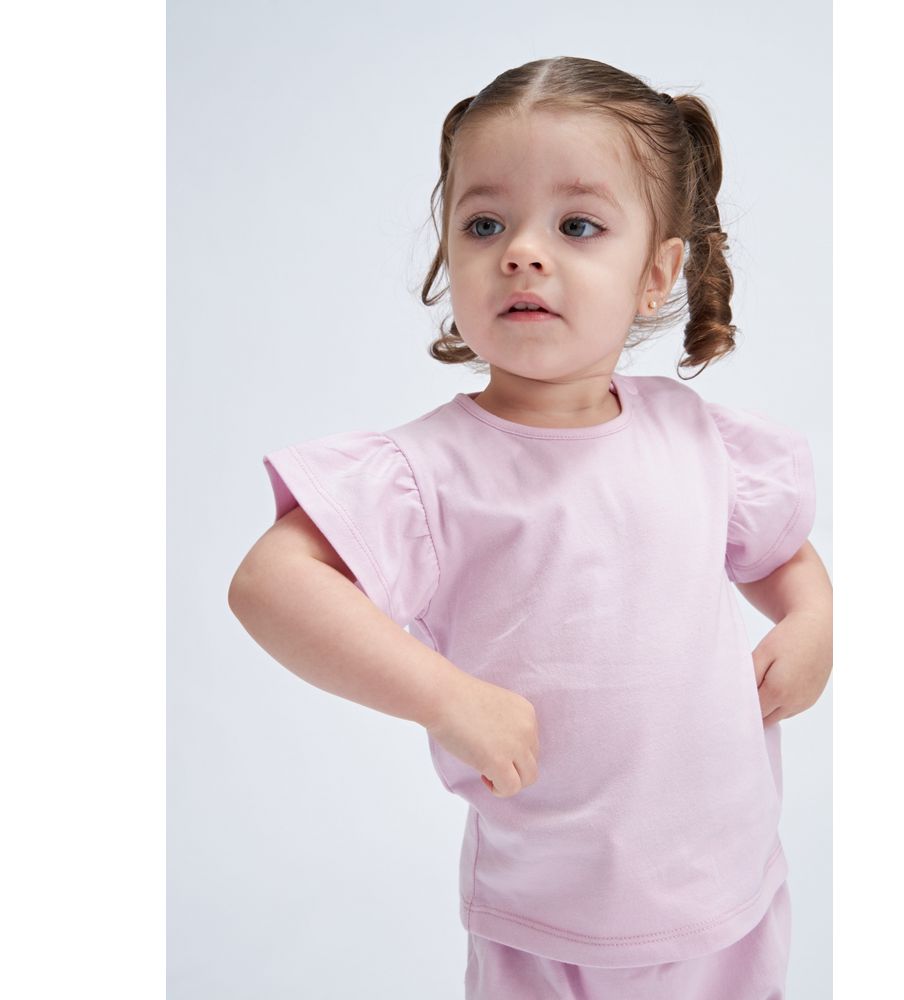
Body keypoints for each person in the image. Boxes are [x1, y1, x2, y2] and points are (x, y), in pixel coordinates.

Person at [228, 55, 833, 1000]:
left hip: (728, 892)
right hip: (547, 918)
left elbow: (779, 550)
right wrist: (445, 698)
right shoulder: (430, 472)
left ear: (657, 273)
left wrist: (812, 618)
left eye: (577, 226)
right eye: (484, 225)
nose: (522, 252)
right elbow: (270, 585)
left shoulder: (695, 436)